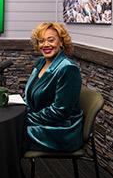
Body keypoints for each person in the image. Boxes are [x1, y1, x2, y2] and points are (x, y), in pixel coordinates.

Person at [24, 22, 83, 152]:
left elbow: (59, 112)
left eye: (51, 40)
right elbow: (29, 96)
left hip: (61, 130)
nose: (45, 45)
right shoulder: (40, 63)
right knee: (7, 131)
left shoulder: (68, 68)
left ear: (61, 42)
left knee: (8, 134)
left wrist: (24, 119)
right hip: (40, 121)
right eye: (41, 41)